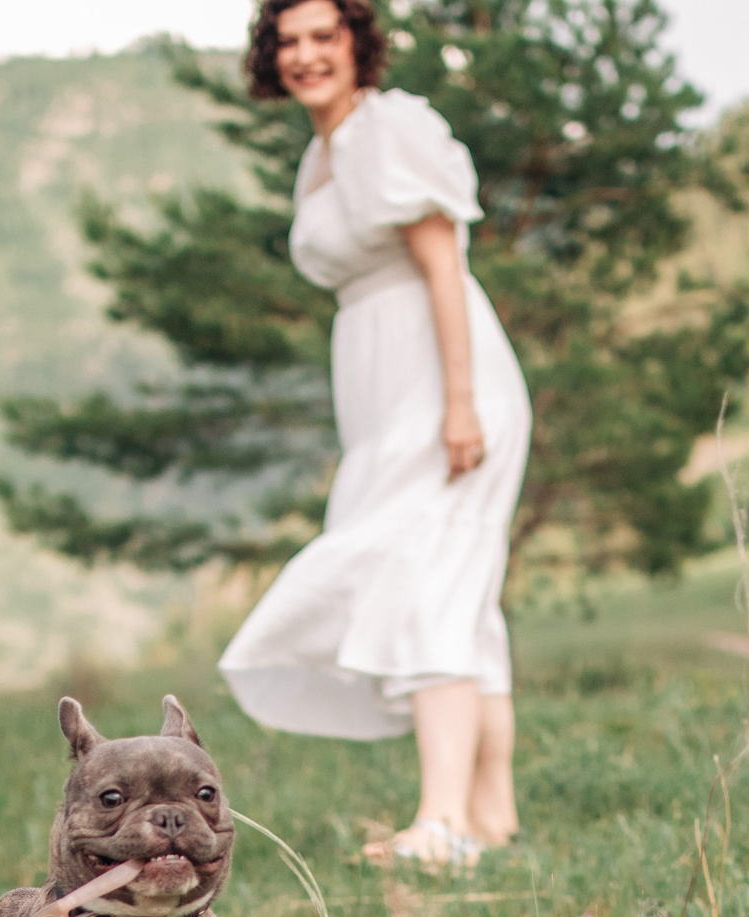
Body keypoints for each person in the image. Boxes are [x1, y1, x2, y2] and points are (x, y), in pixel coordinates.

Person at [217, 0, 530, 871]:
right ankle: (490, 814)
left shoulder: (388, 128)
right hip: (381, 387)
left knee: (429, 581)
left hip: (445, 378)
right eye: (290, 42)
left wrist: (459, 404)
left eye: (325, 36)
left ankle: (442, 823)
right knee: (462, 599)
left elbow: (443, 266)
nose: (308, 55)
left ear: (359, 42)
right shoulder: (322, 153)